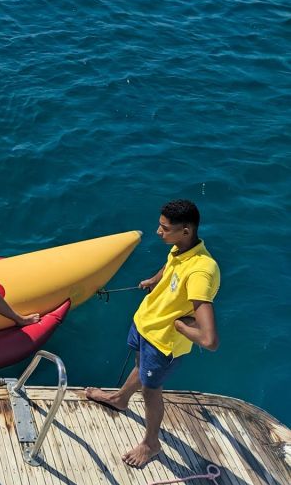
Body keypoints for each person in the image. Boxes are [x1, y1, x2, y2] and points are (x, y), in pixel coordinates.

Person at [85, 200, 220, 467]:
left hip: (163, 342)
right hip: (145, 324)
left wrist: (180, 326)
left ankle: (151, 443)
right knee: (138, 365)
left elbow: (209, 339)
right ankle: (120, 399)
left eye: (164, 228)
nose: (158, 232)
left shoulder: (201, 271)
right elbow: (170, 267)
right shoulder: (180, 248)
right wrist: (153, 280)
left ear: (185, 230)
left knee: (151, 391)